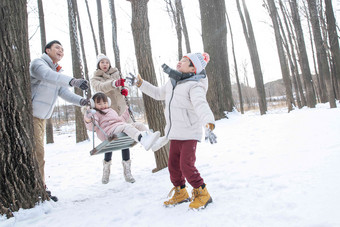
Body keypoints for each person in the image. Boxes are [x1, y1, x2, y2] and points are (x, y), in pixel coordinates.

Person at [135, 52, 217, 209]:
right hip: (175, 133)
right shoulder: (173, 82)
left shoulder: (195, 85)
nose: (180, 61)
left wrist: (208, 123)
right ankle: (181, 193)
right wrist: (140, 83)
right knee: (173, 166)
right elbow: (158, 94)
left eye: (186, 61)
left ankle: (203, 193)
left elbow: (201, 105)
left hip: (189, 133)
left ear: (193, 69)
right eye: (181, 59)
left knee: (187, 166)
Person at [30, 40, 89, 202]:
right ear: (47, 50)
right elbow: (47, 76)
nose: (61, 51)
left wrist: (82, 101)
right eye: (57, 48)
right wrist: (73, 81)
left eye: (63, 49)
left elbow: (64, 93)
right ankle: (39, 188)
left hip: (42, 119)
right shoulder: (38, 64)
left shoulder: (58, 71)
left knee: (38, 154)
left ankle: (39, 187)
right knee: (38, 153)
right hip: (31, 117)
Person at [90, 54, 137, 184]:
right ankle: (106, 169)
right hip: (107, 113)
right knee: (110, 141)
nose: (105, 64)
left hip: (121, 109)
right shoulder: (95, 78)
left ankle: (127, 171)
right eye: (102, 62)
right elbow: (101, 87)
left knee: (125, 140)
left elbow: (122, 85)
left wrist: (125, 90)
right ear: (98, 65)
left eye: (106, 62)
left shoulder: (116, 73)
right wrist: (113, 83)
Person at [84, 92, 160, 153]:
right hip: (109, 132)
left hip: (118, 126)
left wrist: (127, 112)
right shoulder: (95, 113)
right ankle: (142, 139)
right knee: (126, 127)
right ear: (93, 104)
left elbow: (120, 120)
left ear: (108, 102)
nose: (103, 105)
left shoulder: (111, 110)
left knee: (138, 125)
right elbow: (93, 127)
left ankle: (154, 143)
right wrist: (88, 118)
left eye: (104, 103)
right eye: (99, 104)